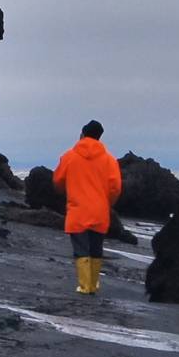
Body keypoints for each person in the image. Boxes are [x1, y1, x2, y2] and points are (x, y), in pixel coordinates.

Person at [51, 119, 121, 295]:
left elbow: (58, 181)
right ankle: (94, 284)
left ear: (82, 134)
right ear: (99, 138)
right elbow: (115, 187)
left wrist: (64, 191)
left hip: (78, 209)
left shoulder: (69, 156)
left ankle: (84, 285)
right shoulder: (110, 160)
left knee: (81, 248)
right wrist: (108, 203)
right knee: (96, 248)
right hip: (99, 210)